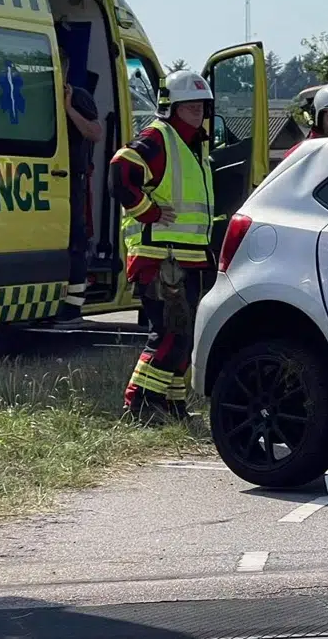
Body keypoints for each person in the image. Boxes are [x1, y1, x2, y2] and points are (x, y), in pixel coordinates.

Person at [109, 69, 216, 423]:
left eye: (201, 106)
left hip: (189, 258)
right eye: (190, 106)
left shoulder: (195, 145)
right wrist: (148, 211)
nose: (197, 112)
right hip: (160, 257)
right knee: (169, 334)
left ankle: (172, 405)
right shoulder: (158, 137)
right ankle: (140, 402)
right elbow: (120, 172)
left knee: (184, 337)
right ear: (170, 107)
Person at [54, 51, 103, 329]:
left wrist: (70, 109)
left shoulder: (78, 96)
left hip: (73, 180)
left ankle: (72, 309)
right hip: (48, 178)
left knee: (75, 241)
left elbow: (95, 132)